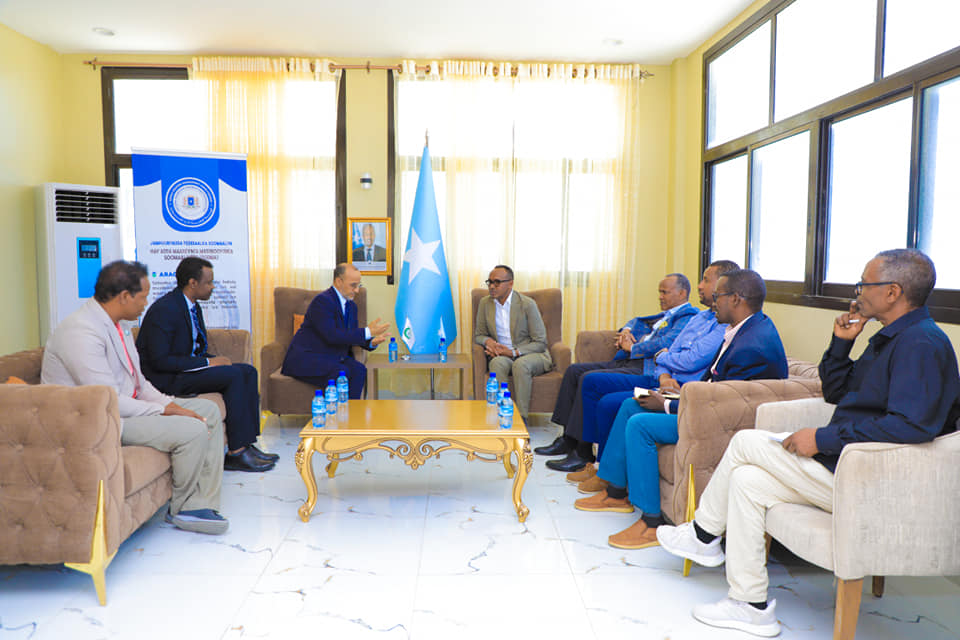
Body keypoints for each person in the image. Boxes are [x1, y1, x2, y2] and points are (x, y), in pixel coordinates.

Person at [657, 249, 960, 638]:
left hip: (873, 484)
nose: (858, 291)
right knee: (747, 481)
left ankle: (702, 534)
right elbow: (837, 392)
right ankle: (750, 604)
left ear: (892, 292)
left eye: (864, 284)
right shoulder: (890, 338)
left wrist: (820, 438)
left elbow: (910, 426)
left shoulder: (921, 344)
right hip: (847, 467)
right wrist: (841, 343)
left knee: (746, 441)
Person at [574, 268, 789, 553]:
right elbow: (715, 388)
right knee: (630, 405)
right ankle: (615, 493)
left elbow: (721, 406)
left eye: (718, 296)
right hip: (707, 406)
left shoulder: (752, 345)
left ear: (736, 299)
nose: (713, 302)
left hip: (719, 424)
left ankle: (651, 523)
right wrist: (674, 395)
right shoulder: (743, 328)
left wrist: (667, 405)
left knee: (640, 425)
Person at [41, 261, 229, 535]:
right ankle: (184, 508)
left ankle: (201, 503)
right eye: (142, 297)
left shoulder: (122, 326)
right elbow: (108, 400)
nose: (146, 304)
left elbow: (140, 384)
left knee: (208, 411)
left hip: (127, 408)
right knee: (192, 429)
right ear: (124, 297)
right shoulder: (80, 332)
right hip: (100, 421)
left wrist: (170, 404)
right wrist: (167, 411)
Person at [569, 259, 740, 471]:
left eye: (705, 280)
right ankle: (598, 465)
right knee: (599, 394)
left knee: (606, 398)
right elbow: (668, 348)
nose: (699, 285)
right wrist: (663, 374)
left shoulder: (710, 321)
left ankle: (601, 469)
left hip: (678, 389)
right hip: (663, 380)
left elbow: (690, 358)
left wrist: (657, 356)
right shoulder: (700, 317)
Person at [536, 273, 699, 472]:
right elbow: (637, 320)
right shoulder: (667, 314)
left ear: (682, 293)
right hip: (629, 362)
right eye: (659, 292)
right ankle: (568, 439)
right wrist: (626, 331)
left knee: (588, 379)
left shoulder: (688, 316)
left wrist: (633, 348)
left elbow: (667, 343)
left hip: (645, 368)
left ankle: (583, 452)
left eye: (665, 292)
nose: (660, 296)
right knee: (573, 371)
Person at [136, 257, 275, 473]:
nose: (212, 287)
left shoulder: (192, 306)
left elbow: (194, 348)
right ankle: (236, 453)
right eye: (208, 282)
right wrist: (209, 362)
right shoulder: (165, 309)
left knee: (247, 371)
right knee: (233, 376)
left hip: (185, 370)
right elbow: (160, 360)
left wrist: (214, 360)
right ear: (192, 283)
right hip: (167, 378)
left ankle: (247, 443)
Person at [282, 263, 390, 398]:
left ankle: (352, 410)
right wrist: (367, 332)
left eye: (359, 285)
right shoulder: (322, 302)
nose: (357, 290)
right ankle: (336, 411)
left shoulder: (351, 306)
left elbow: (350, 334)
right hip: (307, 358)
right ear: (339, 281)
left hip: (331, 357)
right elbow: (332, 336)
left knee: (359, 369)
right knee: (341, 372)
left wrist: (371, 342)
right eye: (353, 285)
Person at [473, 265, 553, 423]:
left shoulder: (527, 304)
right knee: (496, 363)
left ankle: (521, 419)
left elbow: (540, 342)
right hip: (503, 355)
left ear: (510, 283)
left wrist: (514, 352)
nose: (491, 286)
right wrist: (489, 342)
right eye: (489, 282)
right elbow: (479, 335)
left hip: (531, 354)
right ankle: (501, 415)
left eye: (497, 282)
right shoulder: (485, 304)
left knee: (520, 365)